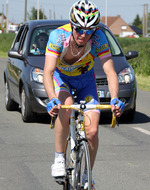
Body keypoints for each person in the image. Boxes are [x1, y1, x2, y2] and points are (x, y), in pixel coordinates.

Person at [43, 0, 125, 189]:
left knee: (93, 131)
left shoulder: (98, 38)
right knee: (66, 107)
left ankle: (88, 173)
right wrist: (51, 98)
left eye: (89, 31)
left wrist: (114, 98)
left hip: (86, 81)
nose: (84, 34)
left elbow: (111, 71)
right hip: (61, 79)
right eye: (79, 29)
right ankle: (58, 158)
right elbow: (47, 71)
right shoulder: (58, 37)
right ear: (72, 25)